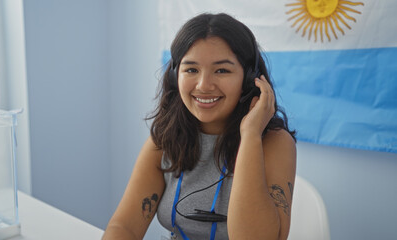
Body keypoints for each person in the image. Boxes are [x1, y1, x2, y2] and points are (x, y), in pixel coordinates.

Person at [103, 12, 296, 240]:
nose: (204, 85)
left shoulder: (274, 143)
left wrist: (250, 135)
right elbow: (124, 227)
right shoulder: (165, 138)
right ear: (176, 76)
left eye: (222, 70)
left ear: (249, 79)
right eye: (191, 69)